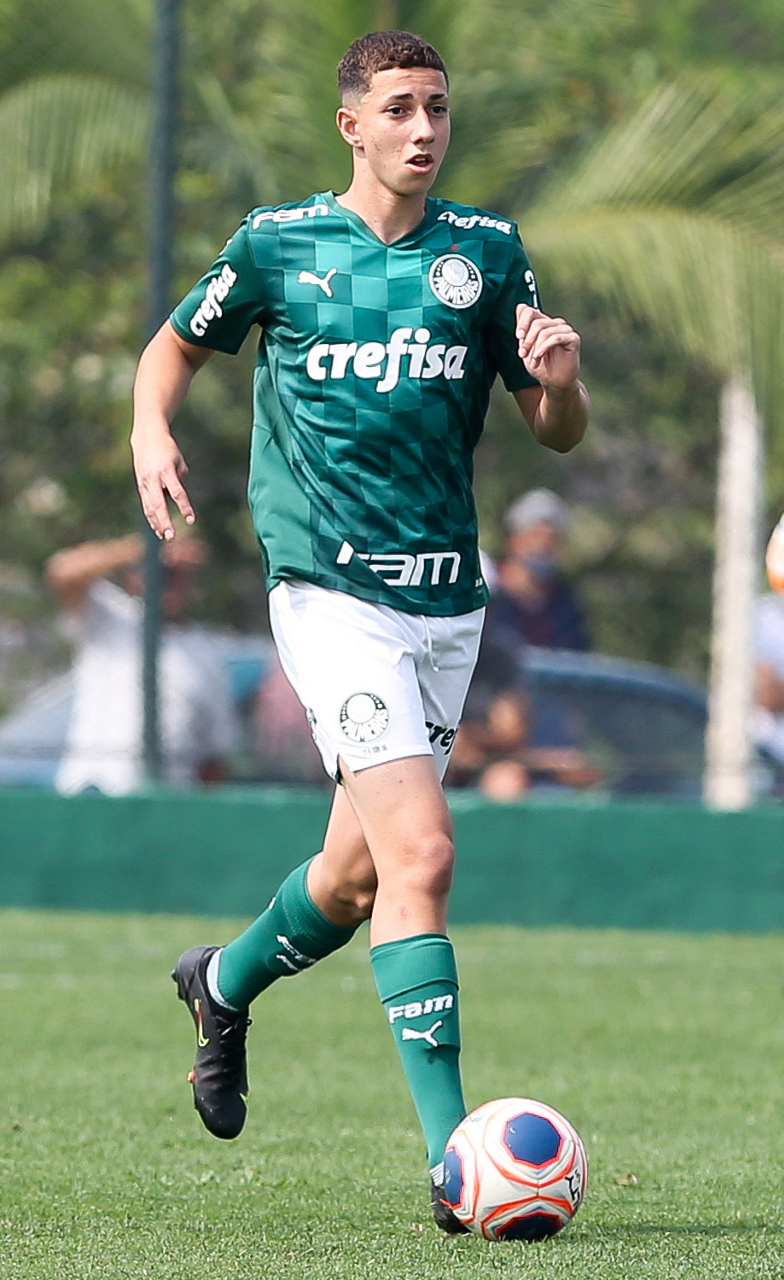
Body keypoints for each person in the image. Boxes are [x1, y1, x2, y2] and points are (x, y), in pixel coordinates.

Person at [130, 29, 589, 1231]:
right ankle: (457, 1164)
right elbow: (173, 346)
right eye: (398, 108)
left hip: (446, 601)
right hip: (328, 591)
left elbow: (555, 430)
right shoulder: (278, 244)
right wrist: (150, 429)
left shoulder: (484, 252)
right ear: (351, 125)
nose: (423, 128)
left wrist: (560, 378)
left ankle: (221, 980)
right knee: (422, 854)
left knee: (352, 875)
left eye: (436, 106)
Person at [46, 532, 237, 794]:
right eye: (159, 572)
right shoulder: (112, 618)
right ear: (133, 578)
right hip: (96, 790)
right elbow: (63, 571)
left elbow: (212, 757)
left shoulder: (206, 653)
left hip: (167, 799)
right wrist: (147, 546)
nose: (167, 583)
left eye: (175, 574)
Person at [488, 487, 590, 651]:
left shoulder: (566, 603)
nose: (542, 547)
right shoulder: (486, 590)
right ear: (513, 540)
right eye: (534, 535)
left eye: (552, 539)